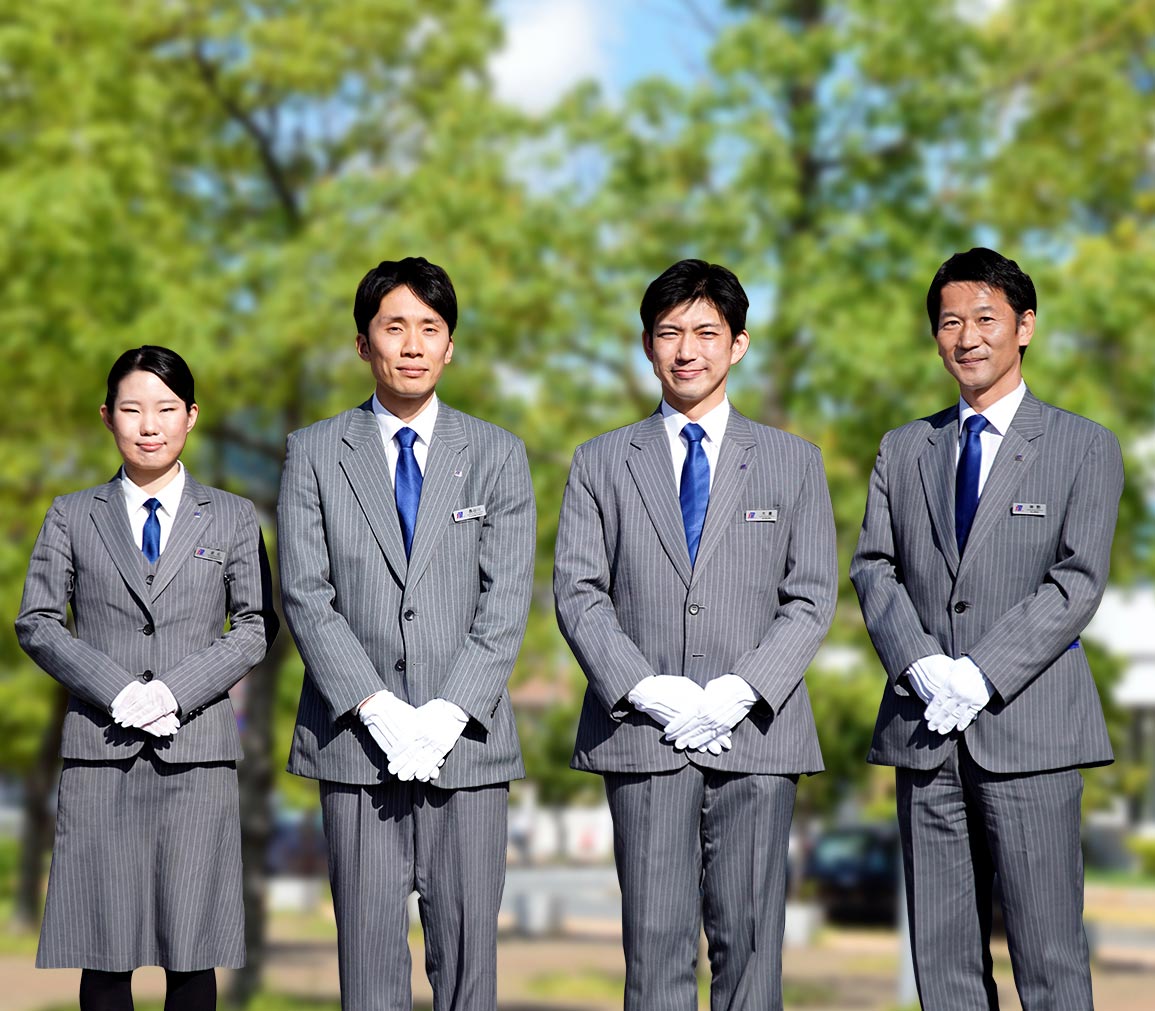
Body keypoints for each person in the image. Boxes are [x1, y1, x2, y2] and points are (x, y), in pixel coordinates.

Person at [554, 258, 837, 1010]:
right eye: (669, 332)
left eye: (707, 333)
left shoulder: (793, 462)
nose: (687, 351)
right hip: (643, 736)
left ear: (738, 344)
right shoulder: (600, 461)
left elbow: (811, 596)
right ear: (646, 345)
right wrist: (648, 690)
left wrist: (741, 690)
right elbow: (579, 592)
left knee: (751, 948)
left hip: (759, 737)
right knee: (654, 950)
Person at [850, 247, 1123, 1009]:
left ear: (1023, 326)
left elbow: (1076, 579)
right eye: (948, 322)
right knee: (942, 966)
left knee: (1048, 960)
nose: (965, 337)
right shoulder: (903, 447)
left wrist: (981, 672)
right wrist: (919, 663)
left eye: (984, 318)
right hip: (924, 731)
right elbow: (873, 566)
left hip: (1031, 731)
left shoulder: (1082, 445)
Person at [278, 256, 535, 1011]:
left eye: (430, 327)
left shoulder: (497, 453)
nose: (413, 344)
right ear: (364, 344)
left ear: (451, 346)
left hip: (469, 748)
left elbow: (505, 598)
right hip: (355, 747)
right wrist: (377, 708)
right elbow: (305, 593)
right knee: (368, 970)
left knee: (468, 968)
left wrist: (447, 712)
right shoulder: (314, 451)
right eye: (395, 327)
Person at [15, 345, 278, 1011]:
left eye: (165, 408)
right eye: (132, 409)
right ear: (108, 417)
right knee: (105, 952)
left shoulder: (232, 516)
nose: (149, 425)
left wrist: (171, 692)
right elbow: (38, 621)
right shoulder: (71, 514)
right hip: (101, 754)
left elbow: (255, 625)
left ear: (192, 415)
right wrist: (119, 690)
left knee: (192, 951)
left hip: (196, 756)